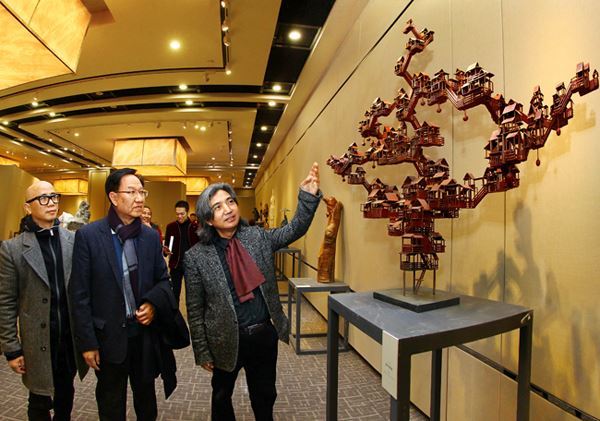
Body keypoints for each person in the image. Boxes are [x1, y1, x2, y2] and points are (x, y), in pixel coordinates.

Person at [185, 162, 321, 421]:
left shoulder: (257, 237)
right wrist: (202, 350)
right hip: (225, 339)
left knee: (265, 396)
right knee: (221, 397)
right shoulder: (196, 257)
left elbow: (294, 229)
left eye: (230, 202)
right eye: (218, 207)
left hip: (262, 335)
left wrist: (307, 197)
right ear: (208, 220)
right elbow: (194, 309)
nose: (228, 209)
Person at [69, 168, 180, 421]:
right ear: (113, 197)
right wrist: (87, 343)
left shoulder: (150, 237)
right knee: (111, 403)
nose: (139, 198)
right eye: (131, 192)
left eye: (142, 192)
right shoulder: (89, 236)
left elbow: (163, 281)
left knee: (146, 401)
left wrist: (152, 304)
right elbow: (79, 295)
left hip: (143, 336)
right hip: (107, 337)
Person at [0, 181, 84, 420]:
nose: (51, 203)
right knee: (39, 401)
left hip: (68, 339)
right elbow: (6, 303)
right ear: (28, 207)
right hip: (36, 341)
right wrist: (11, 349)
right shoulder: (12, 249)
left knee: (66, 395)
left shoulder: (73, 241)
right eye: (43, 199)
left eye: (54, 197)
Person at [164, 200, 199, 307]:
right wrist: (165, 251)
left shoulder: (195, 227)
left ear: (187, 212)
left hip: (191, 266)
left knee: (192, 295)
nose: (179, 216)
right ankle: (175, 316)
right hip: (176, 264)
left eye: (182, 214)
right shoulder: (171, 227)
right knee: (174, 294)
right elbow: (166, 246)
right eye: (177, 214)